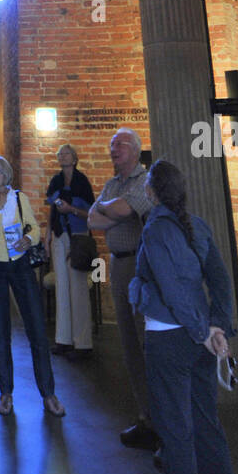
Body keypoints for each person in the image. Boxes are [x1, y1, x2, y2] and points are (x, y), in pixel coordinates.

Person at [129, 158, 238, 474]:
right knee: (209, 433)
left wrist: (201, 330)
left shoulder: (155, 230)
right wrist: (217, 327)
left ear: (151, 191)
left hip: (168, 341)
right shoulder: (200, 226)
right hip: (199, 344)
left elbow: (172, 289)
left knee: (177, 439)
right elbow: (223, 284)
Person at [0, 155, 65, 418]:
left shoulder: (19, 198)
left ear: (7, 174)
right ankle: (5, 393)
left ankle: (48, 393)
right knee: (1, 333)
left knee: (37, 329)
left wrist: (28, 238)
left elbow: (35, 228)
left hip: (21, 267)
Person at [87, 127, 158, 450]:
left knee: (147, 342)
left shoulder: (146, 181)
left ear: (135, 150)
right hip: (117, 264)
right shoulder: (113, 184)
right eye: (112, 145)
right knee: (128, 343)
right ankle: (145, 416)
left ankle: (162, 420)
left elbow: (126, 211)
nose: (113, 150)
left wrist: (109, 209)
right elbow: (93, 220)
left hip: (138, 266)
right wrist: (111, 210)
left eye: (120, 145)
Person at [45, 143, 94, 360]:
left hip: (78, 235)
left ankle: (82, 343)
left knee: (78, 288)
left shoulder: (82, 181)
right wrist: (47, 235)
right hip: (59, 234)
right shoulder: (55, 180)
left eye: (66, 153)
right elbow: (51, 209)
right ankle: (63, 339)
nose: (62, 156)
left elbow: (90, 212)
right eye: (60, 153)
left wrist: (71, 209)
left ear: (74, 158)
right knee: (62, 287)